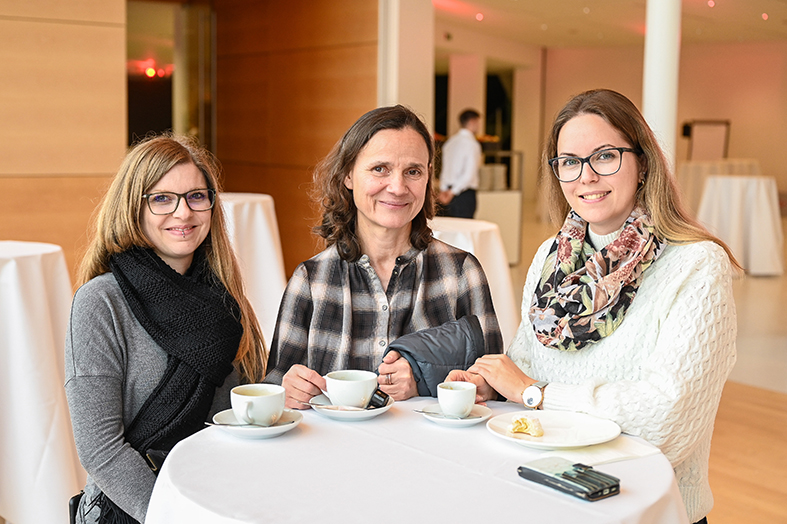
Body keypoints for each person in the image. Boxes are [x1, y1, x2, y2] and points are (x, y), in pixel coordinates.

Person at [447, 89, 738, 524]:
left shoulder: (696, 264)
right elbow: (528, 363)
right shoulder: (551, 257)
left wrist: (536, 395)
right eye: (569, 161)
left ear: (642, 164)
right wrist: (495, 386)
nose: (585, 176)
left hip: (642, 508)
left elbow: (667, 422)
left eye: (604, 156)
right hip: (544, 494)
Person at [65, 134, 267, 524]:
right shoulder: (101, 301)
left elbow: (236, 414)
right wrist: (174, 514)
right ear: (132, 208)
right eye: (162, 198)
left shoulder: (225, 298)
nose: (183, 213)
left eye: (196, 196)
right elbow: (100, 448)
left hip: (219, 498)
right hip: (137, 510)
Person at [264, 105, 503, 408]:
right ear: (348, 175)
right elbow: (274, 384)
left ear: (428, 177)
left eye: (413, 172)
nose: (398, 187)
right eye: (380, 169)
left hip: (432, 452)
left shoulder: (461, 273)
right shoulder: (311, 280)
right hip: (332, 451)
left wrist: (425, 380)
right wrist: (288, 389)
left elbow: (494, 388)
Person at [437, 108, 482, 218]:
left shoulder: (450, 142)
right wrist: (453, 192)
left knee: (447, 232)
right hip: (463, 195)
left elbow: (445, 169)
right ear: (472, 122)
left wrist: (444, 191)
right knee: (464, 232)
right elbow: (469, 175)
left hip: (446, 192)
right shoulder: (472, 144)